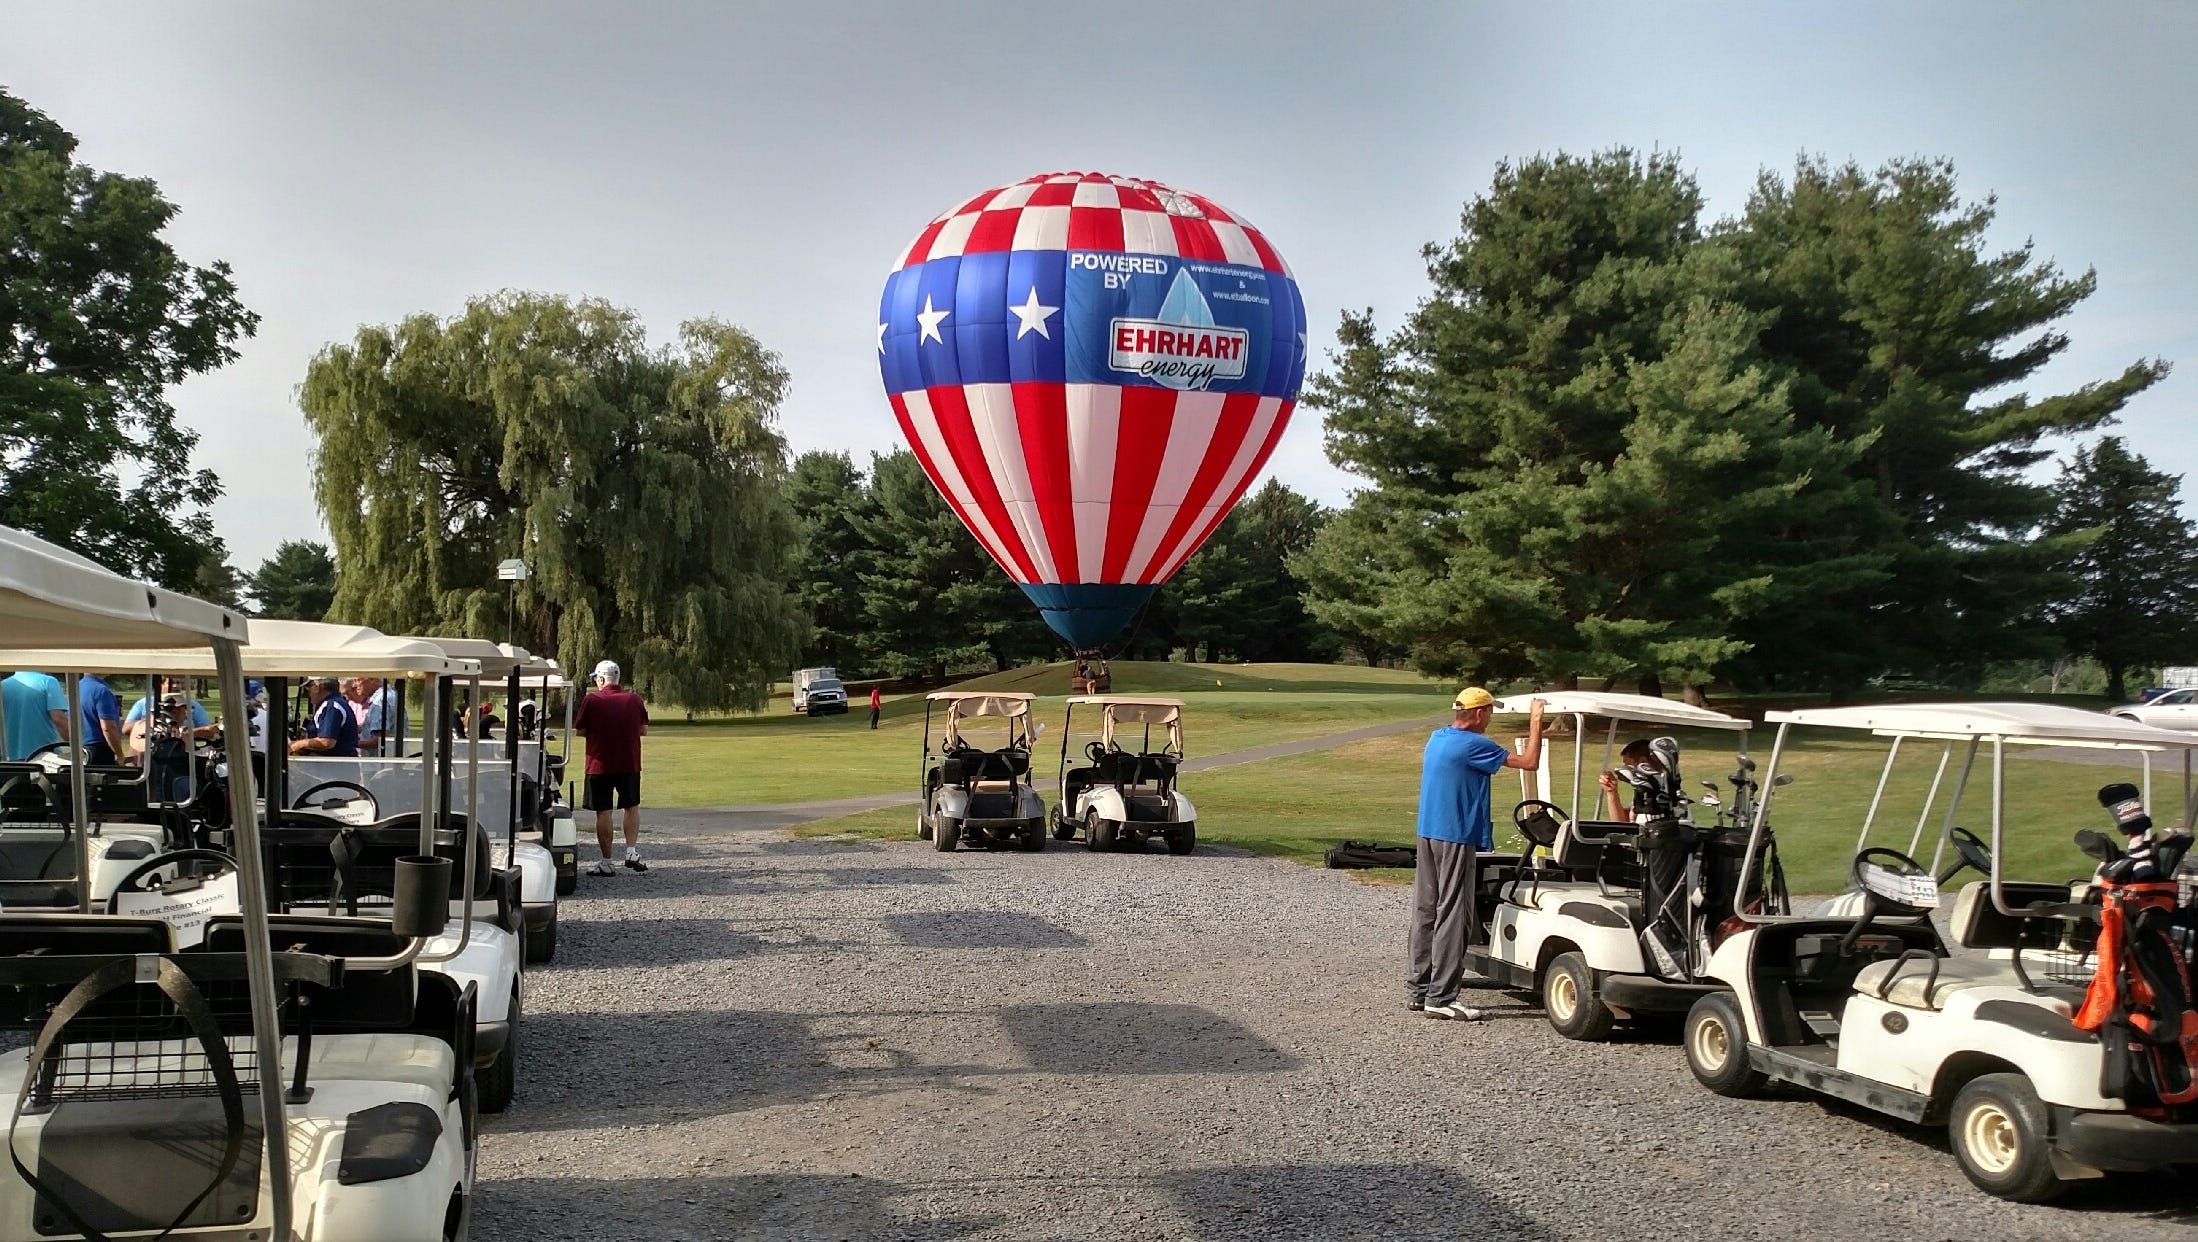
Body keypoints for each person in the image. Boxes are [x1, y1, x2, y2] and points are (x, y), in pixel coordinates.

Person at [1409, 688, 1546, 1021]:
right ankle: (1440, 998)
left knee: (1426, 909)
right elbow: (1530, 762)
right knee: (1454, 914)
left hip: (1428, 832)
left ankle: (1418, 989)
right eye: (1491, 712)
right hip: (1455, 835)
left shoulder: (1438, 737)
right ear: (1481, 713)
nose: (1492, 718)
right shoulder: (1475, 745)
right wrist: (1536, 720)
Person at [574, 658, 649, 876]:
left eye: (596, 678)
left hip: (599, 764)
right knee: (631, 806)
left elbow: (580, 731)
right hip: (629, 762)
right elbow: (643, 730)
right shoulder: (634, 700)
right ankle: (631, 851)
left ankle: (607, 861)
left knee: (603, 812)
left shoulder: (592, 700)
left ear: (601, 678)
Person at [1, 670, 69, 761]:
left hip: (9, 755)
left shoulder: (3, 685)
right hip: (43, 754)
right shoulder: (48, 682)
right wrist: (77, 745)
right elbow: (59, 719)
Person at [290, 676, 360, 757]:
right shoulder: (336, 703)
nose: (308, 691)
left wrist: (296, 745)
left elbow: (326, 742)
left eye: (309, 687)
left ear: (317, 687)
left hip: (335, 767)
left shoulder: (331, 706)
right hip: (339, 765)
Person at [78, 672, 125, 765]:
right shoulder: (101, 691)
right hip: (99, 750)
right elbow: (108, 728)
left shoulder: (77, 687)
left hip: (81, 748)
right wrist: (120, 755)